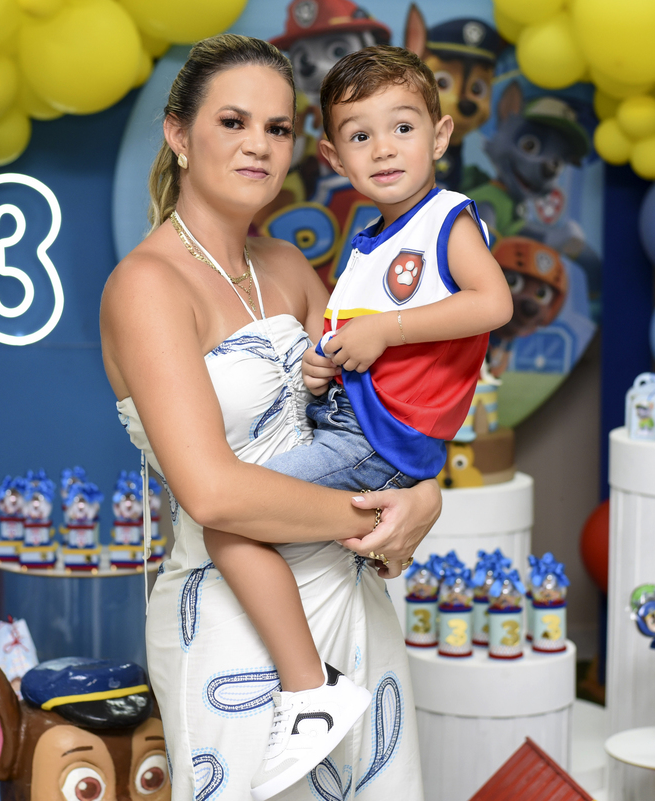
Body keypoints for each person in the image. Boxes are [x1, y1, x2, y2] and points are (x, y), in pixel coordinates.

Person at [101, 34, 441, 801]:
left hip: (350, 600)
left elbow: (371, 417)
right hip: (233, 619)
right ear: (179, 134)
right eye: (233, 121)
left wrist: (425, 492)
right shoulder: (147, 285)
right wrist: (377, 515)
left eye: (278, 127)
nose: (259, 144)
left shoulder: (290, 266)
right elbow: (213, 493)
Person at [198, 44, 511, 797]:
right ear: (335, 158)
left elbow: (493, 303)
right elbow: (356, 341)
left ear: (440, 135)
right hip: (351, 420)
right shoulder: (368, 241)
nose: (385, 149)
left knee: (231, 524)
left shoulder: (446, 220)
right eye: (361, 136)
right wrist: (325, 364)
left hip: (375, 438)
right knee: (238, 517)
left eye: (403, 127)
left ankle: (311, 692)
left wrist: (383, 332)